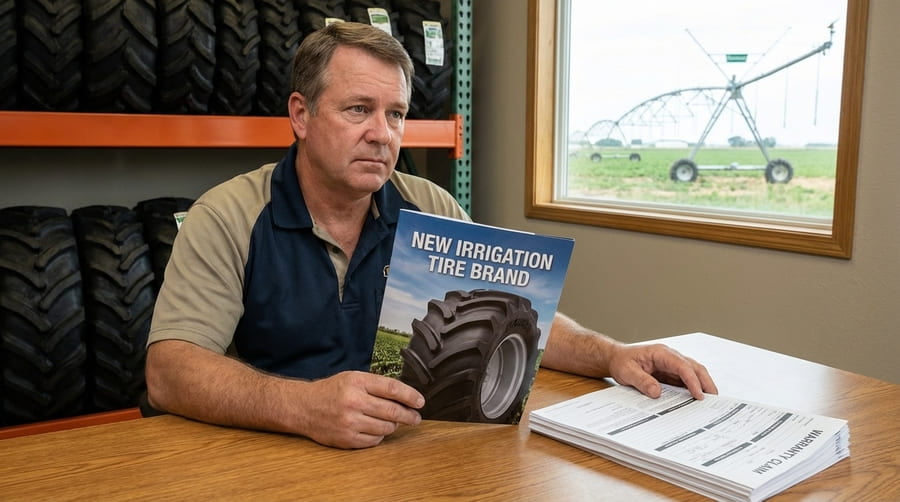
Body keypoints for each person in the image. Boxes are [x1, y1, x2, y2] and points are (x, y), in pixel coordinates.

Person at [144, 22, 717, 450]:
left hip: (405, 455)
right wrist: (300, 406)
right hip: (271, 457)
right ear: (301, 114)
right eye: (358, 109)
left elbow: (519, 312)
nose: (381, 134)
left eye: (395, 114)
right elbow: (170, 371)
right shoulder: (228, 215)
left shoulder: (432, 205)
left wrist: (613, 354)